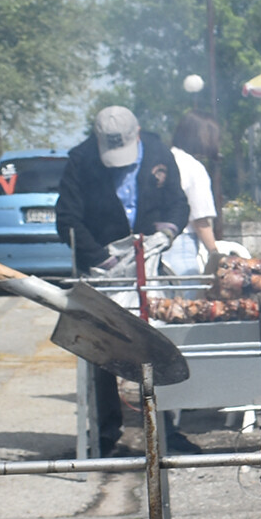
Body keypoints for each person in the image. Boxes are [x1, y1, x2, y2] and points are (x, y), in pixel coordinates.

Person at [55, 105, 189, 455]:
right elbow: (66, 219)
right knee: (101, 350)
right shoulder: (81, 161)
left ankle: (166, 430)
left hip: (148, 261)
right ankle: (104, 433)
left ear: (138, 134)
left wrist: (169, 231)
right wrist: (99, 257)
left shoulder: (160, 153)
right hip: (103, 265)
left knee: (158, 343)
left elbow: (178, 202)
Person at [164, 111, 222, 275]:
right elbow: (200, 220)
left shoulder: (164, 159)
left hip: (156, 244)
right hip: (182, 246)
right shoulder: (193, 168)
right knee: (187, 298)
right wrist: (214, 253)